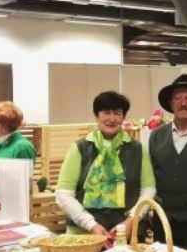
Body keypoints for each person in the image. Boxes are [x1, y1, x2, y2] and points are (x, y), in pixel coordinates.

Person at [55, 91, 155, 237]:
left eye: (117, 113)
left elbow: (148, 190)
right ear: (97, 115)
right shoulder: (80, 148)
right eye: (106, 112)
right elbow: (63, 194)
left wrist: (131, 221)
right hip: (83, 235)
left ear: (123, 117)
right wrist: (91, 225)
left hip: (127, 234)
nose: (112, 119)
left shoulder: (137, 149)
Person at [148, 74, 187, 249]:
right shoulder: (156, 136)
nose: (183, 103)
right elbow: (151, 176)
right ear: (170, 103)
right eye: (178, 98)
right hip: (163, 221)